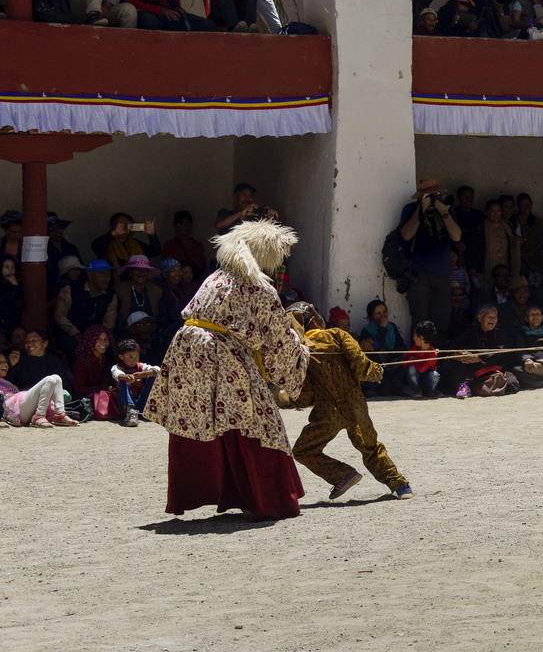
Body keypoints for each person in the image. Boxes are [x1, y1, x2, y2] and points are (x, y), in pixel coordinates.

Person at [145, 221, 310, 520]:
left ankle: (220, 490)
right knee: (258, 420)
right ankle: (268, 499)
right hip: (221, 354)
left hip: (187, 351)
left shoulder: (217, 276)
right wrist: (302, 352)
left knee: (204, 420)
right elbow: (278, 336)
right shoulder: (259, 286)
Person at [287, 302, 414, 501]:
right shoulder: (336, 334)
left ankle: (343, 475)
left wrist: (286, 398)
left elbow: (305, 396)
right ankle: (400, 485)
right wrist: (377, 371)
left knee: (303, 450)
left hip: (327, 412)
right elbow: (361, 366)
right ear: (315, 319)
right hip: (355, 405)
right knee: (370, 448)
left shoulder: (300, 353)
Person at [399, 179, 463, 331]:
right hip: (419, 275)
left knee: (441, 320)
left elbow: (457, 236)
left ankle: (437, 353)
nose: (434, 199)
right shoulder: (411, 209)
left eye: (436, 195)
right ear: (421, 197)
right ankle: (419, 354)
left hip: (442, 274)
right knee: (420, 321)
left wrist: (445, 213)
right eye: (430, 196)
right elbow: (406, 235)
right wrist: (419, 212)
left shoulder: (447, 210)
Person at [0, 354, 76, 428]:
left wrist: (13, 366)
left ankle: (60, 414)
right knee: (50, 380)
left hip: (24, 406)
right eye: (0, 362)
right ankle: (39, 415)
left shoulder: (7, 382)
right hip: (16, 411)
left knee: (57, 378)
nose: (5, 365)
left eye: (6, 362)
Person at [111, 337, 160, 427]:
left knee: (153, 377)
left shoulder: (140, 366)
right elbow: (116, 374)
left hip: (140, 402)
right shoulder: (117, 367)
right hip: (124, 405)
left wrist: (143, 374)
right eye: (130, 357)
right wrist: (126, 377)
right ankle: (131, 412)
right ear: (121, 356)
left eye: (136, 356)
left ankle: (151, 409)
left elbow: (158, 369)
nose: (134, 359)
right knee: (123, 380)